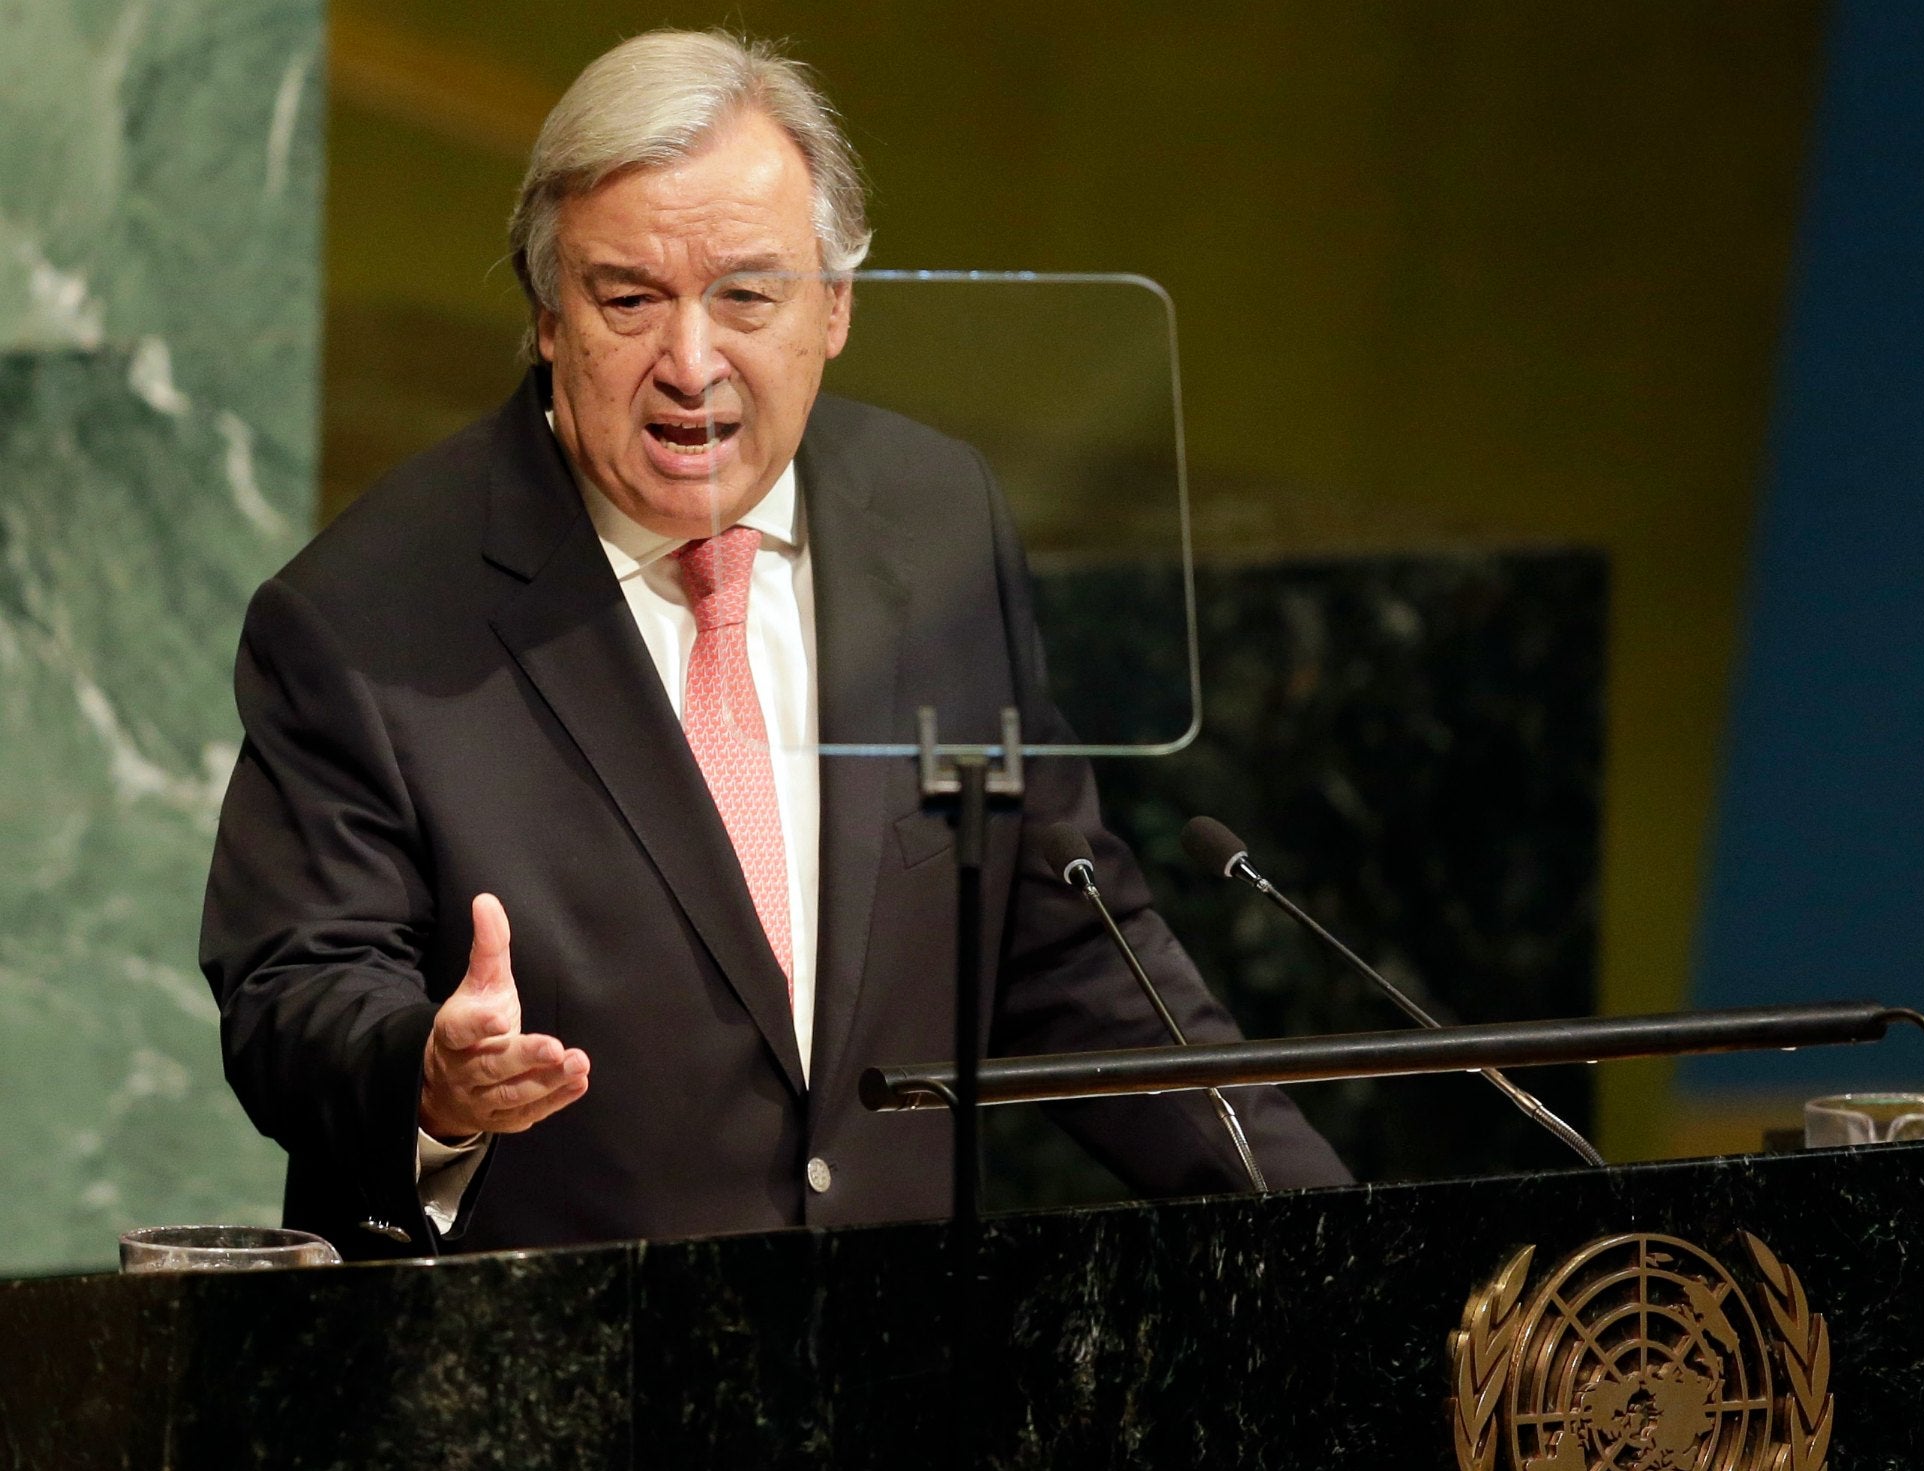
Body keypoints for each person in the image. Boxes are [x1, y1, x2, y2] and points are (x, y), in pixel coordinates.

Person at [201, 29, 1349, 1262]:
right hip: (553, 1388)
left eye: (746, 294)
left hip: (901, 1380)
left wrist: (1342, 1247)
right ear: (546, 316)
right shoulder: (366, 614)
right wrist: (429, 1080)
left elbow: (1068, 939)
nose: (689, 364)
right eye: (628, 299)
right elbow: (295, 992)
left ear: (836, 307)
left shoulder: (934, 516)